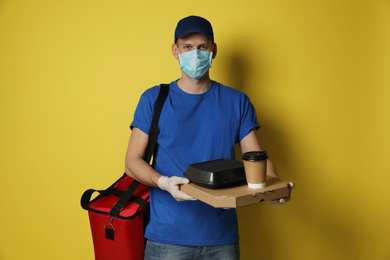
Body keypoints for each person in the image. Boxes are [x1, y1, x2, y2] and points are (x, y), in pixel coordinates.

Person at [125, 15, 293, 260]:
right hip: (167, 238)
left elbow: (256, 158)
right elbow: (132, 162)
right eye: (188, 47)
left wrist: (275, 189)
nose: (195, 53)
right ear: (175, 51)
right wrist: (164, 183)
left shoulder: (237, 102)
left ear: (213, 51)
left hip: (221, 238)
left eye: (202, 47)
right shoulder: (153, 99)